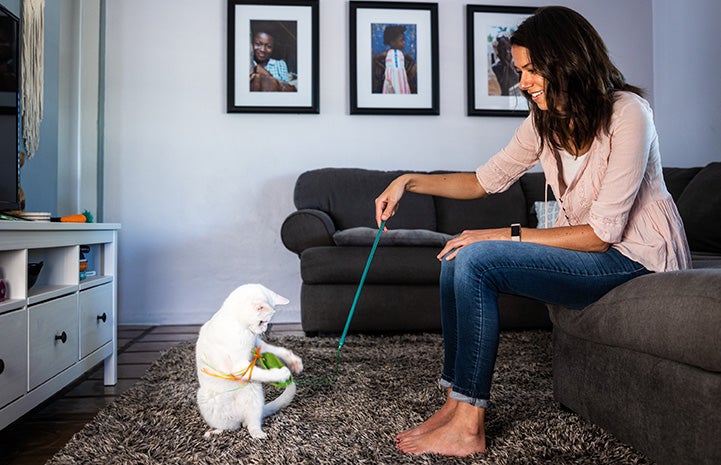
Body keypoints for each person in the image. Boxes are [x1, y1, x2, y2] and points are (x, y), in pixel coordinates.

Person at [374, 6, 690, 457]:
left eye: (531, 69)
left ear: (568, 61)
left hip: (635, 257)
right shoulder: (545, 122)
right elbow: (482, 181)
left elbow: (602, 234)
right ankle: (456, 402)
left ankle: (469, 426)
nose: (522, 82)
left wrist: (500, 234)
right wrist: (406, 181)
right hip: (593, 255)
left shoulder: (628, 113)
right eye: (521, 70)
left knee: (479, 255)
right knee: (457, 254)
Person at [372, 25, 417, 94]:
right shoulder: (386, 53)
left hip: (402, 79)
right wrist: (385, 68)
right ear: (392, 42)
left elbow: (411, 61)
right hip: (390, 78)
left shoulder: (403, 54)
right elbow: (375, 59)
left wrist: (406, 70)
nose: (404, 43)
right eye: (401, 41)